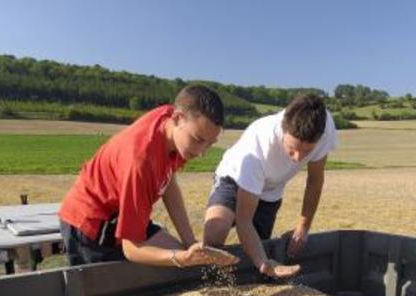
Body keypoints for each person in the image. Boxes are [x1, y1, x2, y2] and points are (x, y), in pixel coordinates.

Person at [59, 85, 238, 268]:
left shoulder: (171, 125)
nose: (201, 152)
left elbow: (168, 183)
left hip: (125, 212)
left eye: (210, 144)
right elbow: (131, 248)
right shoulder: (140, 161)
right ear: (177, 118)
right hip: (92, 224)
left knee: (184, 264)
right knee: (114, 292)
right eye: (198, 139)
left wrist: (190, 243)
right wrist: (181, 258)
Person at [203, 93, 337, 278]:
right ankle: (211, 283)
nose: (298, 157)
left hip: (271, 190)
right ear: (283, 130)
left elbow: (315, 179)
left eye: (306, 151)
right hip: (233, 177)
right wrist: (265, 264)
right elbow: (244, 221)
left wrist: (303, 227)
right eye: (292, 148)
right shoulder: (257, 147)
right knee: (214, 236)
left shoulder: (324, 127)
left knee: (259, 245)